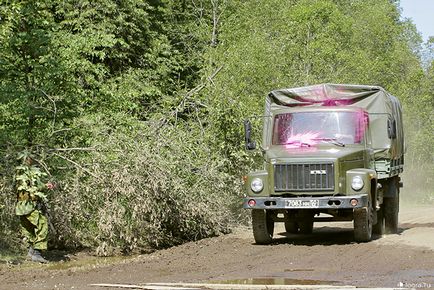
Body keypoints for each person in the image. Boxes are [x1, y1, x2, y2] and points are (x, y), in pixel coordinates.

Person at [14, 156, 54, 263]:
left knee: (29, 229)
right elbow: (35, 187)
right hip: (28, 207)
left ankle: (31, 253)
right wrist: (46, 185)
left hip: (20, 208)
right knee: (42, 224)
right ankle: (36, 253)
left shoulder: (18, 175)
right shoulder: (27, 175)